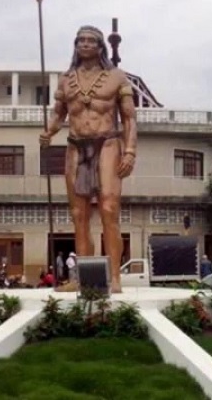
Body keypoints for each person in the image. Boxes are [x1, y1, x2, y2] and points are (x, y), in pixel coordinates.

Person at [39, 25, 138, 293]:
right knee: (78, 214)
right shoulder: (66, 79)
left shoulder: (116, 77)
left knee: (109, 210)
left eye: (90, 40)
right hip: (75, 146)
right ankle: (83, 277)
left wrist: (130, 151)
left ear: (100, 46)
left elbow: (129, 118)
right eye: (80, 40)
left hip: (107, 144)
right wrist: (49, 131)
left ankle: (114, 277)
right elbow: (58, 114)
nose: (84, 44)